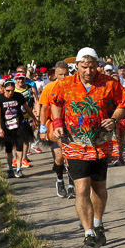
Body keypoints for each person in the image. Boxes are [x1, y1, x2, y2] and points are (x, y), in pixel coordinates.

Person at [50, 47, 125, 248]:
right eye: (84, 67)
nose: (88, 71)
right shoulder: (64, 84)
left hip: (100, 144)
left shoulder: (109, 83)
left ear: (97, 66)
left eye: (92, 67)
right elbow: (55, 103)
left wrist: (114, 118)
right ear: (76, 66)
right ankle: (88, 234)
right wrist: (57, 122)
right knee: (81, 188)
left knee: (99, 188)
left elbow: (122, 104)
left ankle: (99, 224)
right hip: (74, 143)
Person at [38, 61, 73, 198]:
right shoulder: (49, 88)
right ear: (55, 74)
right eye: (60, 75)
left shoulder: (73, 87)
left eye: (66, 74)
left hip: (71, 125)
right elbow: (44, 109)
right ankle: (59, 179)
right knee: (59, 157)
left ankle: (71, 185)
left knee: (70, 155)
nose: (63, 77)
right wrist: (42, 128)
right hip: (54, 125)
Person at [0, 79, 36, 178]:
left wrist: (35, 118)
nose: (10, 93)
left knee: (19, 146)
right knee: (8, 149)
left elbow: (27, 108)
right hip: (5, 126)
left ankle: (19, 169)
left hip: (19, 125)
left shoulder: (19, 96)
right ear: (3, 89)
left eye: (12, 90)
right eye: (8, 90)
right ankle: (10, 169)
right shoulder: (0, 99)